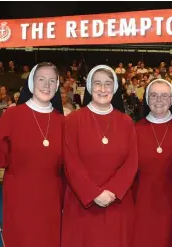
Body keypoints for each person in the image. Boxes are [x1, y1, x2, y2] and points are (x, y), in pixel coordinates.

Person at [0, 62, 64, 247]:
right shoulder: (13, 114)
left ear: (57, 86)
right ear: (31, 83)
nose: (47, 85)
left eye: (52, 80)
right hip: (20, 197)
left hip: (53, 199)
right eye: (41, 79)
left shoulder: (64, 121)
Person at [62, 65, 138, 247]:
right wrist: (93, 193)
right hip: (82, 204)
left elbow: (132, 162)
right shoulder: (73, 120)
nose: (103, 89)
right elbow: (70, 162)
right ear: (89, 87)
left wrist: (113, 191)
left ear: (114, 88)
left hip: (117, 203)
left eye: (108, 84)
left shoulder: (126, 121)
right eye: (97, 83)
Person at [132, 79, 172, 247]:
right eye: (153, 95)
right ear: (147, 99)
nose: (158, 100)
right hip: (142, 201)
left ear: (171, 100)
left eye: (164, 96)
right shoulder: (134, 129)